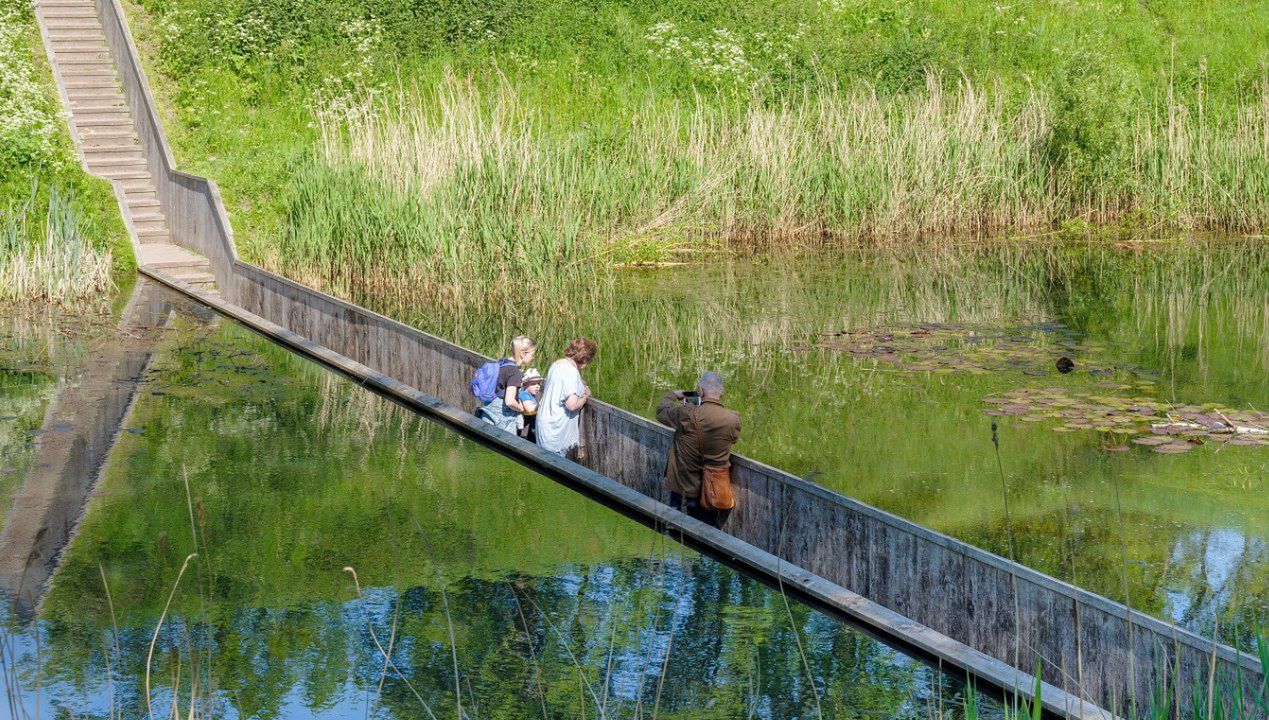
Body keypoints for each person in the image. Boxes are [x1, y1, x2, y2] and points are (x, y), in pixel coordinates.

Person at [656, 371, 741, 528]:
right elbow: (733, 439)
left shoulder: (686, 412)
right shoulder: (733, 419)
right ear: (721, 392)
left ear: (701, 392)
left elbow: (661, 413)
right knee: (708, 536)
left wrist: (673, 395)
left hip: (685, 487)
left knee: (679, 535)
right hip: (714, 491)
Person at [536, 337, 596, 458]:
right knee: (553, 467)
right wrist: (585, 396)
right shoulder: (571, 372)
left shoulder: (557, 364)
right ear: (585, 360)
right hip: (556, 429)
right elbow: (572, 405)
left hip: (545, 423)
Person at [476, 335, 537, 432]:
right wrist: (522, 408)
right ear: (523, 353)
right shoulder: (514, 372)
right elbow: (509, 401)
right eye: (532, 354)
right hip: (503, 421)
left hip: (488, 413)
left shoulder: (502, 363)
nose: (533, 358)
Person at [517, 368, 543, 442]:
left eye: (539, 383)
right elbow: (529, 409)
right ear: (525, 384)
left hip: (530, 428)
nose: (537, 386)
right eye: (533, 384)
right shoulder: (524, 394)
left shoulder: (532, 395)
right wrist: (541, 404)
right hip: (525, 430)